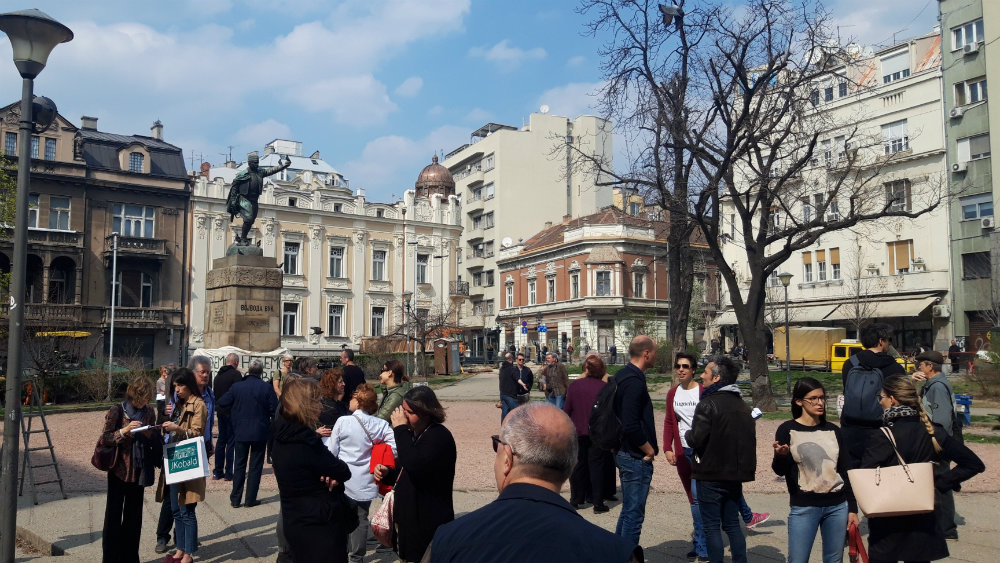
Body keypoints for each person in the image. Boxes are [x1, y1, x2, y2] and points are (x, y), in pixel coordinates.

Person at [425, 403, 639, 562]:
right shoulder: (614, 552)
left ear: (507, 458)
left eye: (496, 446)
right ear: (573, 466)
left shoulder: (447, 540)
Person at [860, 375, 985, 563]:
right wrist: (940, 482)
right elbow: (974, 464)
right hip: (923, 519)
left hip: (888, 518)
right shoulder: (933, 431)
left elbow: (866, 475)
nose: (880, 403)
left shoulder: (883, 435)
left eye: (882, 398)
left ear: (893, 399)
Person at [772, 377, 857, 563]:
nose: (820, 403)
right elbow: (779, 471)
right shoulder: (787, 429)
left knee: (834, 560)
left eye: (822, 398)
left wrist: (852, 508)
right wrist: (781, 456)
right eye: (813, 398)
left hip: (837, 506)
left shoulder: (834, 431)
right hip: (804, 506)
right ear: (798, 401)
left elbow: (845, 469)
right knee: (798, 560)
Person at [271, 378, 354, 563]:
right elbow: (342, 471)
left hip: (294, 519)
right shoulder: (305, 441)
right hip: (318, 523)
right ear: (305, 405)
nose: (320, 407)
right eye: (316, 401)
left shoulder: (281, 436)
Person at [685, 356, 756, 563]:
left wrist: (688, 434)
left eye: (705, 373)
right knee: (733, 525)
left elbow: (696, 438)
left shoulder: (707, 403)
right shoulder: (743, 406)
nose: (701, 376)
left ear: (716, 378)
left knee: (711, 527)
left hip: (710, 474)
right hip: (734, 475)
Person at [373, 386, 456, 562]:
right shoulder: (415, 434)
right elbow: (407, 468)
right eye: (403, 410)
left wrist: (400, 430)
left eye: (409, 412)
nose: (404, 417)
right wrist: (389, 473)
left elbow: (414, 464)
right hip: (410, 524)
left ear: (425, 412)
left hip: (428, 524)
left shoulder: (438, 437)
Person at [328, 383, 398, 563]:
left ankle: (341, 552)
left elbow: (332, 450)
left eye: (352, 397)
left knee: (341, 518)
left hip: (344, 478)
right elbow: (394, 448)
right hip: (367, 477)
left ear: (358, 401)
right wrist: (379, 456)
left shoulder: (343, 421)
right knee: (361, 518)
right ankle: (356, 556)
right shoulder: (380, 424)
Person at [155, 356, 215, 555]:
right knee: (175, 508)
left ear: (188, 384)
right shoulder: (178, 404)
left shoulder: (200, 404)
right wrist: (165, 425)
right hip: (175, 456)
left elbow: (198, 431)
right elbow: (170, 423)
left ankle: (188, 553)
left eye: (180, 386)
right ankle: (180, 549)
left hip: (189, 457)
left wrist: (177, 428)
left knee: (187, 509)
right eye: (175, 386)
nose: (177, 390)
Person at [100, 375, 159, 563]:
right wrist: (124, 431)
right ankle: (110, 558)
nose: (144, 403)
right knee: (113, 517)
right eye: (141, 399)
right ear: (134, 396)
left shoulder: (149, 411)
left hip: (139, 469)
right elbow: (105, 438)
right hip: (119, 469)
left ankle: (130, 558)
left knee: (134, 518)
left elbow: (153, 437)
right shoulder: (118, 410)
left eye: (147, 398)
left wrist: (151, 433)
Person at [612, 335, 659, 546]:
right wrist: (649, 450)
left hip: (623, 451)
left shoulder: (622, 375)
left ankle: (617, 553)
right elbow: (630, 424)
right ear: (646, 353)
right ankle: (626, 556)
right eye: (655, 353)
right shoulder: (633, 382)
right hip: (634, 455)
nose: (656, 357)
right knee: (634, 515)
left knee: (628, 510)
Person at [840, 323, 906, 469]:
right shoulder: (894, 368)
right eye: (889, 340)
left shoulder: (849, 364)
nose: (890, 344)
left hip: (850, 428)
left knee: (854, 476)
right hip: (881, 430)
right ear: (881, 341)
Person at [663, 352, 707, 561]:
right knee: (693, 498)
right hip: (682, 452)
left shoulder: (703, 392)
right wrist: (667, 447)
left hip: (702, 453)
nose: (680, 370)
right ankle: (701, 542)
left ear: (693, 370)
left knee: (699, 498)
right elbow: (670, 423)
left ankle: (703, 545)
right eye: (678, 366)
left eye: (685, 366)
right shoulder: (673, 394)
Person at [217, 360, 278, 508]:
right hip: (260, 431)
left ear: (248, 370)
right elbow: (274, 410)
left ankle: (235, 499)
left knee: (239, 465)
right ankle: (250, 499)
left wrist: (233, 412)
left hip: (240, 430)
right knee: (255, 466)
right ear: (261, 372)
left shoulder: (237, 387)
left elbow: (222, 402)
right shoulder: (265, 387)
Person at [912, 350, 960, 540]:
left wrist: (934, 444)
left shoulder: (937, 387)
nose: (918, 367)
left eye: (921, 364)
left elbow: (941, 422)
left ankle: (947, 529)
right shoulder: (932, 385)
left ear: (930, 366)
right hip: (935, 441)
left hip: (938, 443)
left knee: (941, 486)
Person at [563, 354, 611, 513]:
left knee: (578, 467)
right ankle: (598, 502)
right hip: (598, 432)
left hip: (577, 430)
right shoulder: (605, 388)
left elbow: (567, 410)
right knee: (597, 467)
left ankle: (576, 498)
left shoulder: (575, 386)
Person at [227, 152, 291, 245]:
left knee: (251, 220)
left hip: (254, 200)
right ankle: (243, 238)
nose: (257, 165)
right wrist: (233, 200)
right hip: (244, 199)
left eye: (257, 163)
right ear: (250, 163)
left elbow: (271, 170)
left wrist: (284, 166)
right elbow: (234, 187)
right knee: (248, 219)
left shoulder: (260, 172)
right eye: (255, 163)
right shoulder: (243, 174)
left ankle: (242, 238)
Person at [213, 352, 243, 481]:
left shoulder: (217, 376)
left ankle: (217, 471)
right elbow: (239, 394)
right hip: (232, 412)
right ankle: (229, 472)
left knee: (221, 440)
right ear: (236, 362)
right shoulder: (236, 375)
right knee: (231, 442)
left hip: (220, 411)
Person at [318, 368, 350, 437]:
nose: (344, 384)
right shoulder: (328, 408)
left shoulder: (339, 405)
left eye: (343, 381)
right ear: (332, 384)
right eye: (340, 382)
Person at [497, 353, 520, 421]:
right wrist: (523, 384)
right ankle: (517, 428)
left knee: (505, 412)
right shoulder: (512, 369)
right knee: (516, 413)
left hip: (503, 393)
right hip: (510, 394)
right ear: (511, 359)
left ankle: (504, 428)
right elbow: (517, 379)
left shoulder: (502, 369)